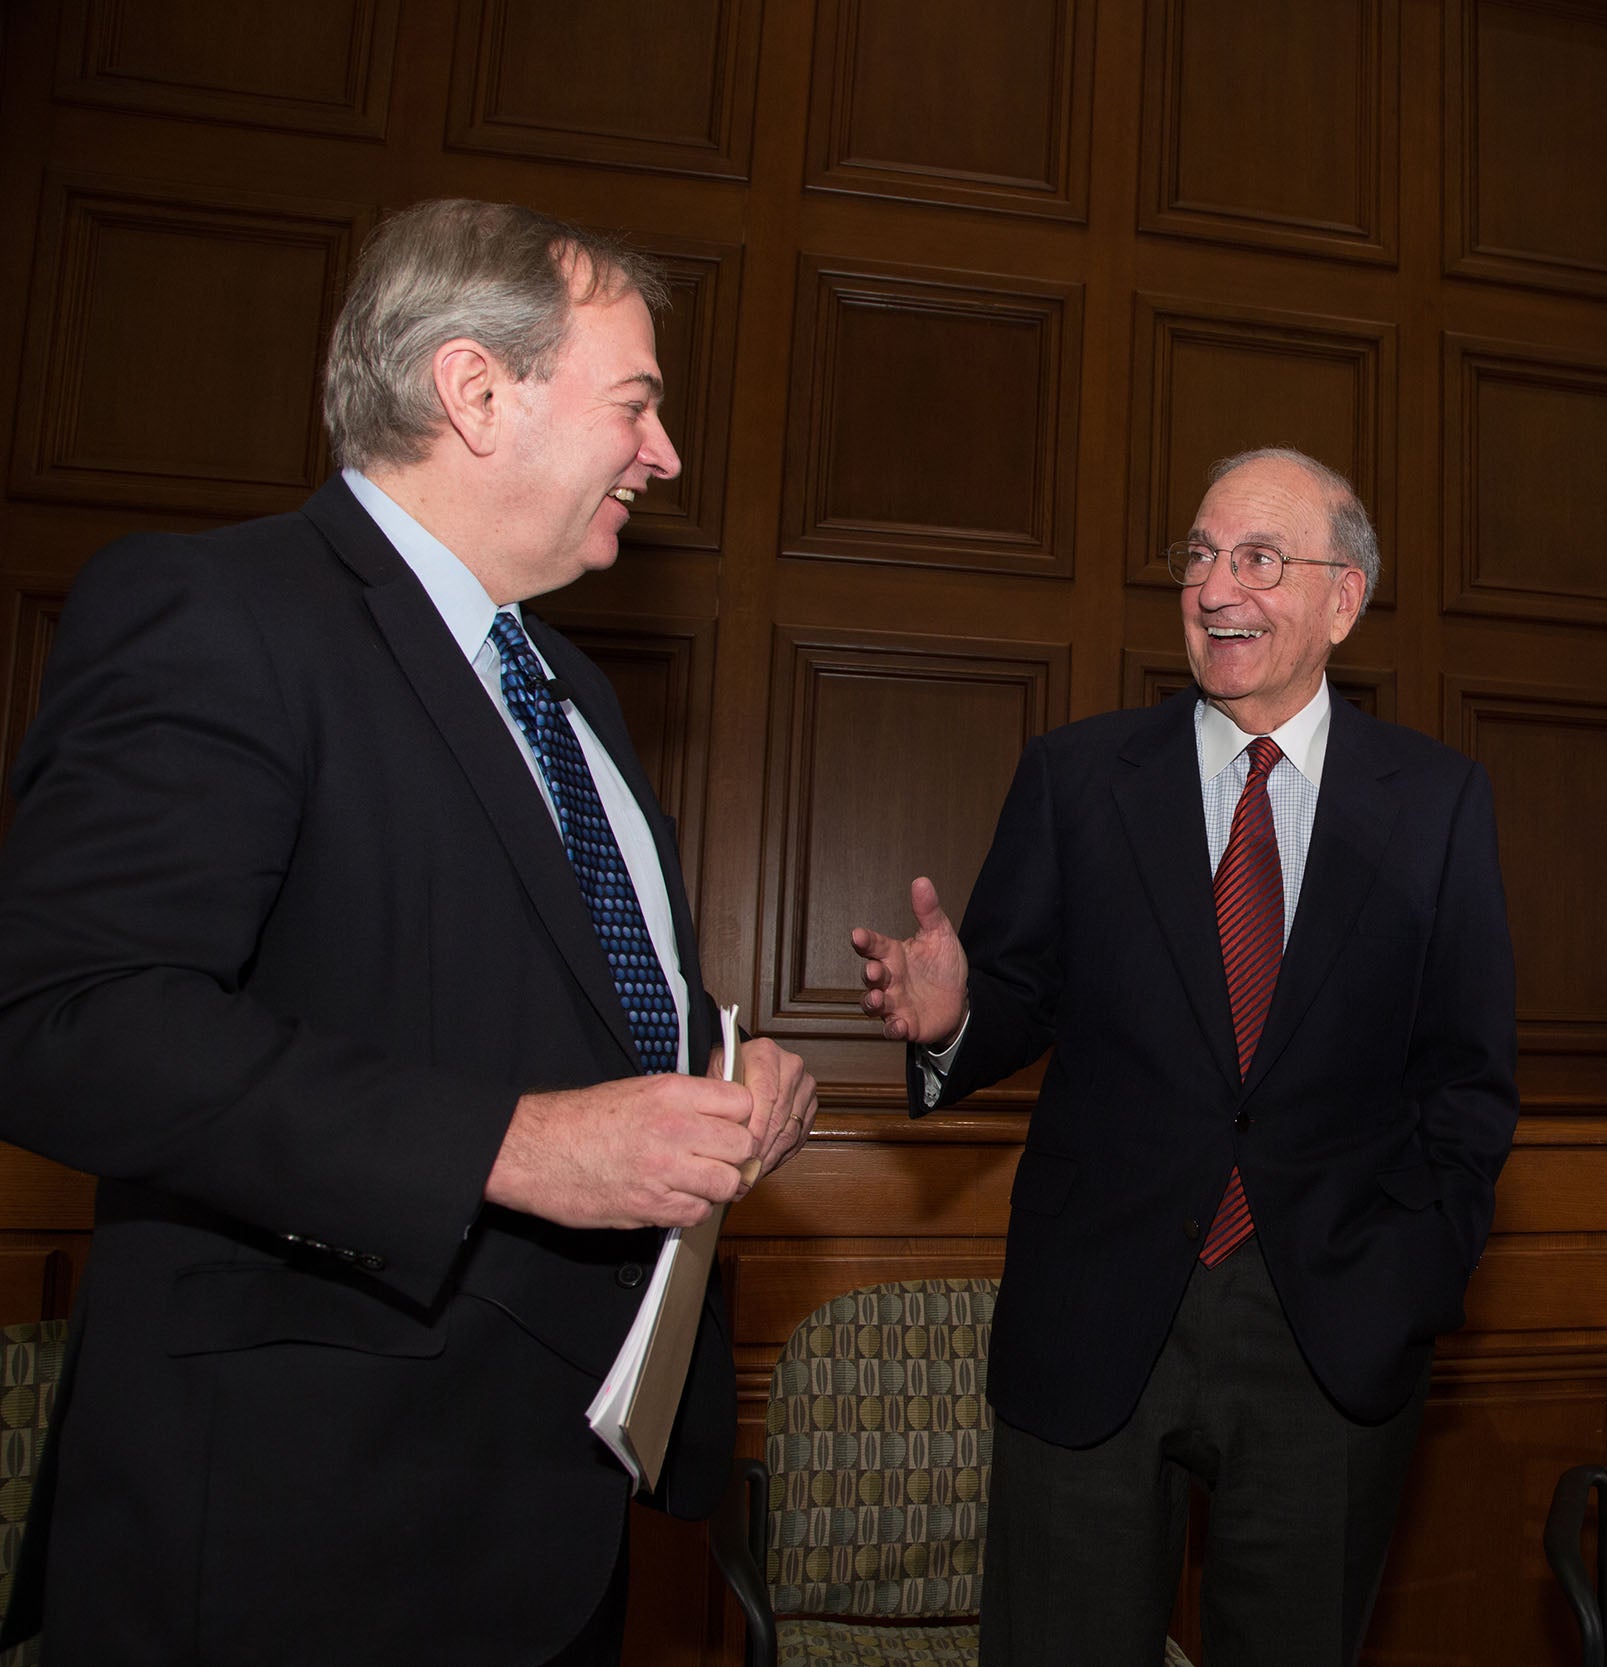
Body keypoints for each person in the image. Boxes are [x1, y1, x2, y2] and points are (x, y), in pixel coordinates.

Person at [0, 198, 817, 1666]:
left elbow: (585, 1001)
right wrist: (512, 1144)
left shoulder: (575, 689)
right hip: (297, 1541)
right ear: (475, 390)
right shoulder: (218, 613)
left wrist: (731, 1073)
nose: (666, 453)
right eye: (636, 403)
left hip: (546, 1520)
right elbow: (74, 1021)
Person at [849, 448, 1518, 1667]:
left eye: (1258, 559)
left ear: (1342, 599)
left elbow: (1466, 1082)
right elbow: (1012, 995)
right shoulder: (1077, 777)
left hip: (1330, 1327)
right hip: (1098, 1316)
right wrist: (952, 1016)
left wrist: (1413, 1277)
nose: (1217, 589)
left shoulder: (1436, 802)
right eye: (1198, 558)